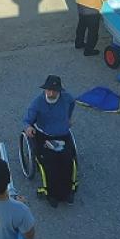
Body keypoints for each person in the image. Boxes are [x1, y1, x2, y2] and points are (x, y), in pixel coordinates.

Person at [23, 75, 77, 207]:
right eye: (48, 90)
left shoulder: (67, 98)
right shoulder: (37, 102)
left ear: (59, 90)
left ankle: (67, 192)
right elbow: (26, 120)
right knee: (49, 162)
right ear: (45, 89)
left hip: (63, 134)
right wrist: (29, 127)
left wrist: (68, 118)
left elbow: (72, 103)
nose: (51, 93)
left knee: (68, 159)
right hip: (44, 135)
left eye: (54, 90)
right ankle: (52, 194)